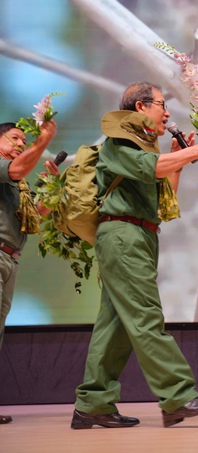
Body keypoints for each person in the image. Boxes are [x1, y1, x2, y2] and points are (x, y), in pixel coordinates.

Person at [71, 82, 198, 429]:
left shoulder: (144, 146)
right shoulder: (119, 142)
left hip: (139, 234)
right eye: (161, 104)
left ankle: (93, 404)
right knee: (145, 317)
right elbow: (149, 166)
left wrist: (180, 161)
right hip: (123, 235)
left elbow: (162, 199)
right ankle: (177, 396)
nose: (167, 112)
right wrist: (194, 151)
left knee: (115, 326)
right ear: (140, 107)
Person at [0, 119, 58, 424]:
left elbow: (34, 215)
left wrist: (53, 186)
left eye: (24, 139)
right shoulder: (5, 170)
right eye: (14, 138)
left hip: (9, 261)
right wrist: (42, 141)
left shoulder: (16, 187)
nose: (21, 143)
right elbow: (19, 168)